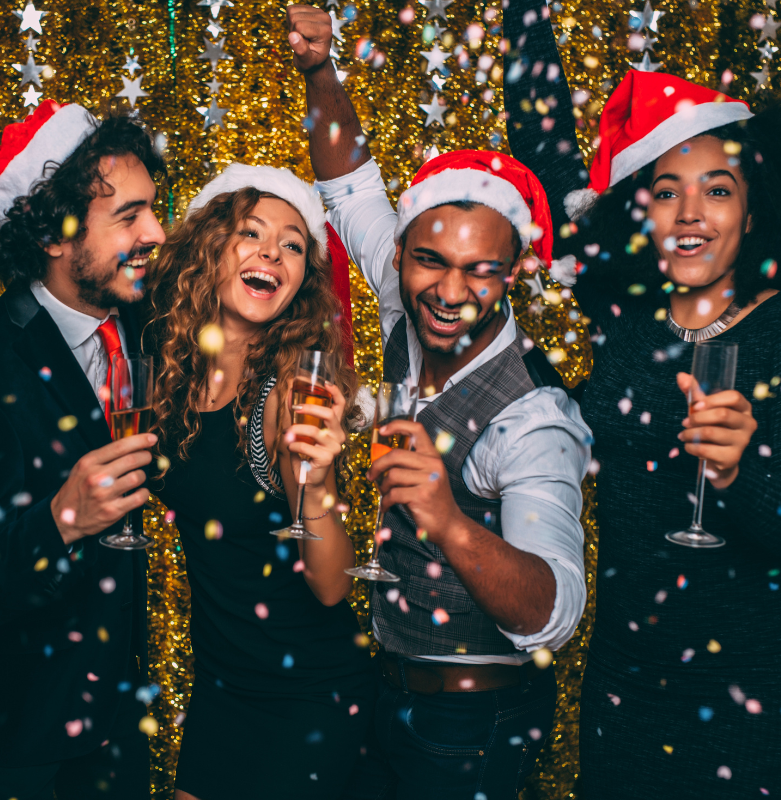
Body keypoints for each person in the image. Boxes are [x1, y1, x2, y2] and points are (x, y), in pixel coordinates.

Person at [500, 2, 781, 796]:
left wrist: (736, 476)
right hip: (628, 688)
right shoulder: (629, 329)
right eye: (667, 191)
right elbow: (548, 153)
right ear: (643, 211)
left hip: (756, 699)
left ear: (753, 209)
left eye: (717, 190)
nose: (691, 213)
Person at [288, 7, 592, 798]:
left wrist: (447, 518)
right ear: (403, 254)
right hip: (385, 690)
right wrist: (321, 70)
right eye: (428, 262)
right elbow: (349, 183)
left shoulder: (533, 417)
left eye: (479, 271)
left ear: (514, 270)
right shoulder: (403, 297)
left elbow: (556, 611)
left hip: (474, 726)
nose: (450, 293)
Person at [0, 100, 165, 800]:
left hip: (123, 729)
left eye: (153, 210)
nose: (155, 232)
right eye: (129, 216)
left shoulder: (147, 323)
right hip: (26, 744)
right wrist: (61, 519)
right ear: (53, 232)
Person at [143, 163, 373, 800]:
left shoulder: (289, 396)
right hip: (221, 684)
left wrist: (319, 480)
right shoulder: (168, 373)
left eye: (294, 244)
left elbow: (330, 587)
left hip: (307, 693)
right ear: (208, 250)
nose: (272, 251)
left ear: (300, 281)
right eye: (251, 232)